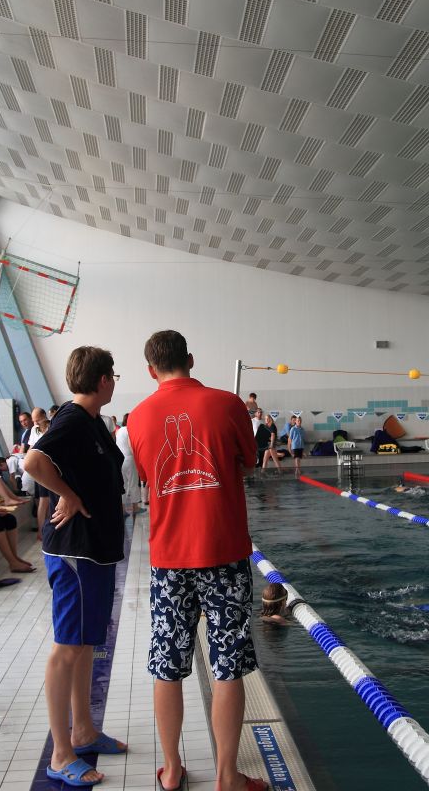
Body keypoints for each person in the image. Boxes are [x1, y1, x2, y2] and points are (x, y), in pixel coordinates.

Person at [129, 330, 265, 791]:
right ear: (190, 359)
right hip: (224, 553)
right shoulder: (228, 404)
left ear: (151, 370)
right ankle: (228, 777)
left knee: (166, 664)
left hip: (169, 558)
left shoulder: (138, 417)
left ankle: (171, 770)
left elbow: (149, 477)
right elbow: (250, 463)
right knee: (228, 665)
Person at [24, 347, 127, 788]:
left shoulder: (92, 421)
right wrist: (67, 494)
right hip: (75, 553)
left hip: (95, 550)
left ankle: (83, 730)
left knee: (86, 643)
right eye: (113, 376)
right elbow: (33, 462)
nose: (114, 383)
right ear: (102, 380)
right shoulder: (71, 419)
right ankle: (61, 752)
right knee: (67, 647)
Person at [114, 412, 141, 525]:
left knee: (123, 484)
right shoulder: (130, 430)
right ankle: (135, 507)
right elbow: (133, 446)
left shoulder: (119, 430)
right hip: (130, 459)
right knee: (133, 483)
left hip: (120, 459)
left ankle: (123, 509)